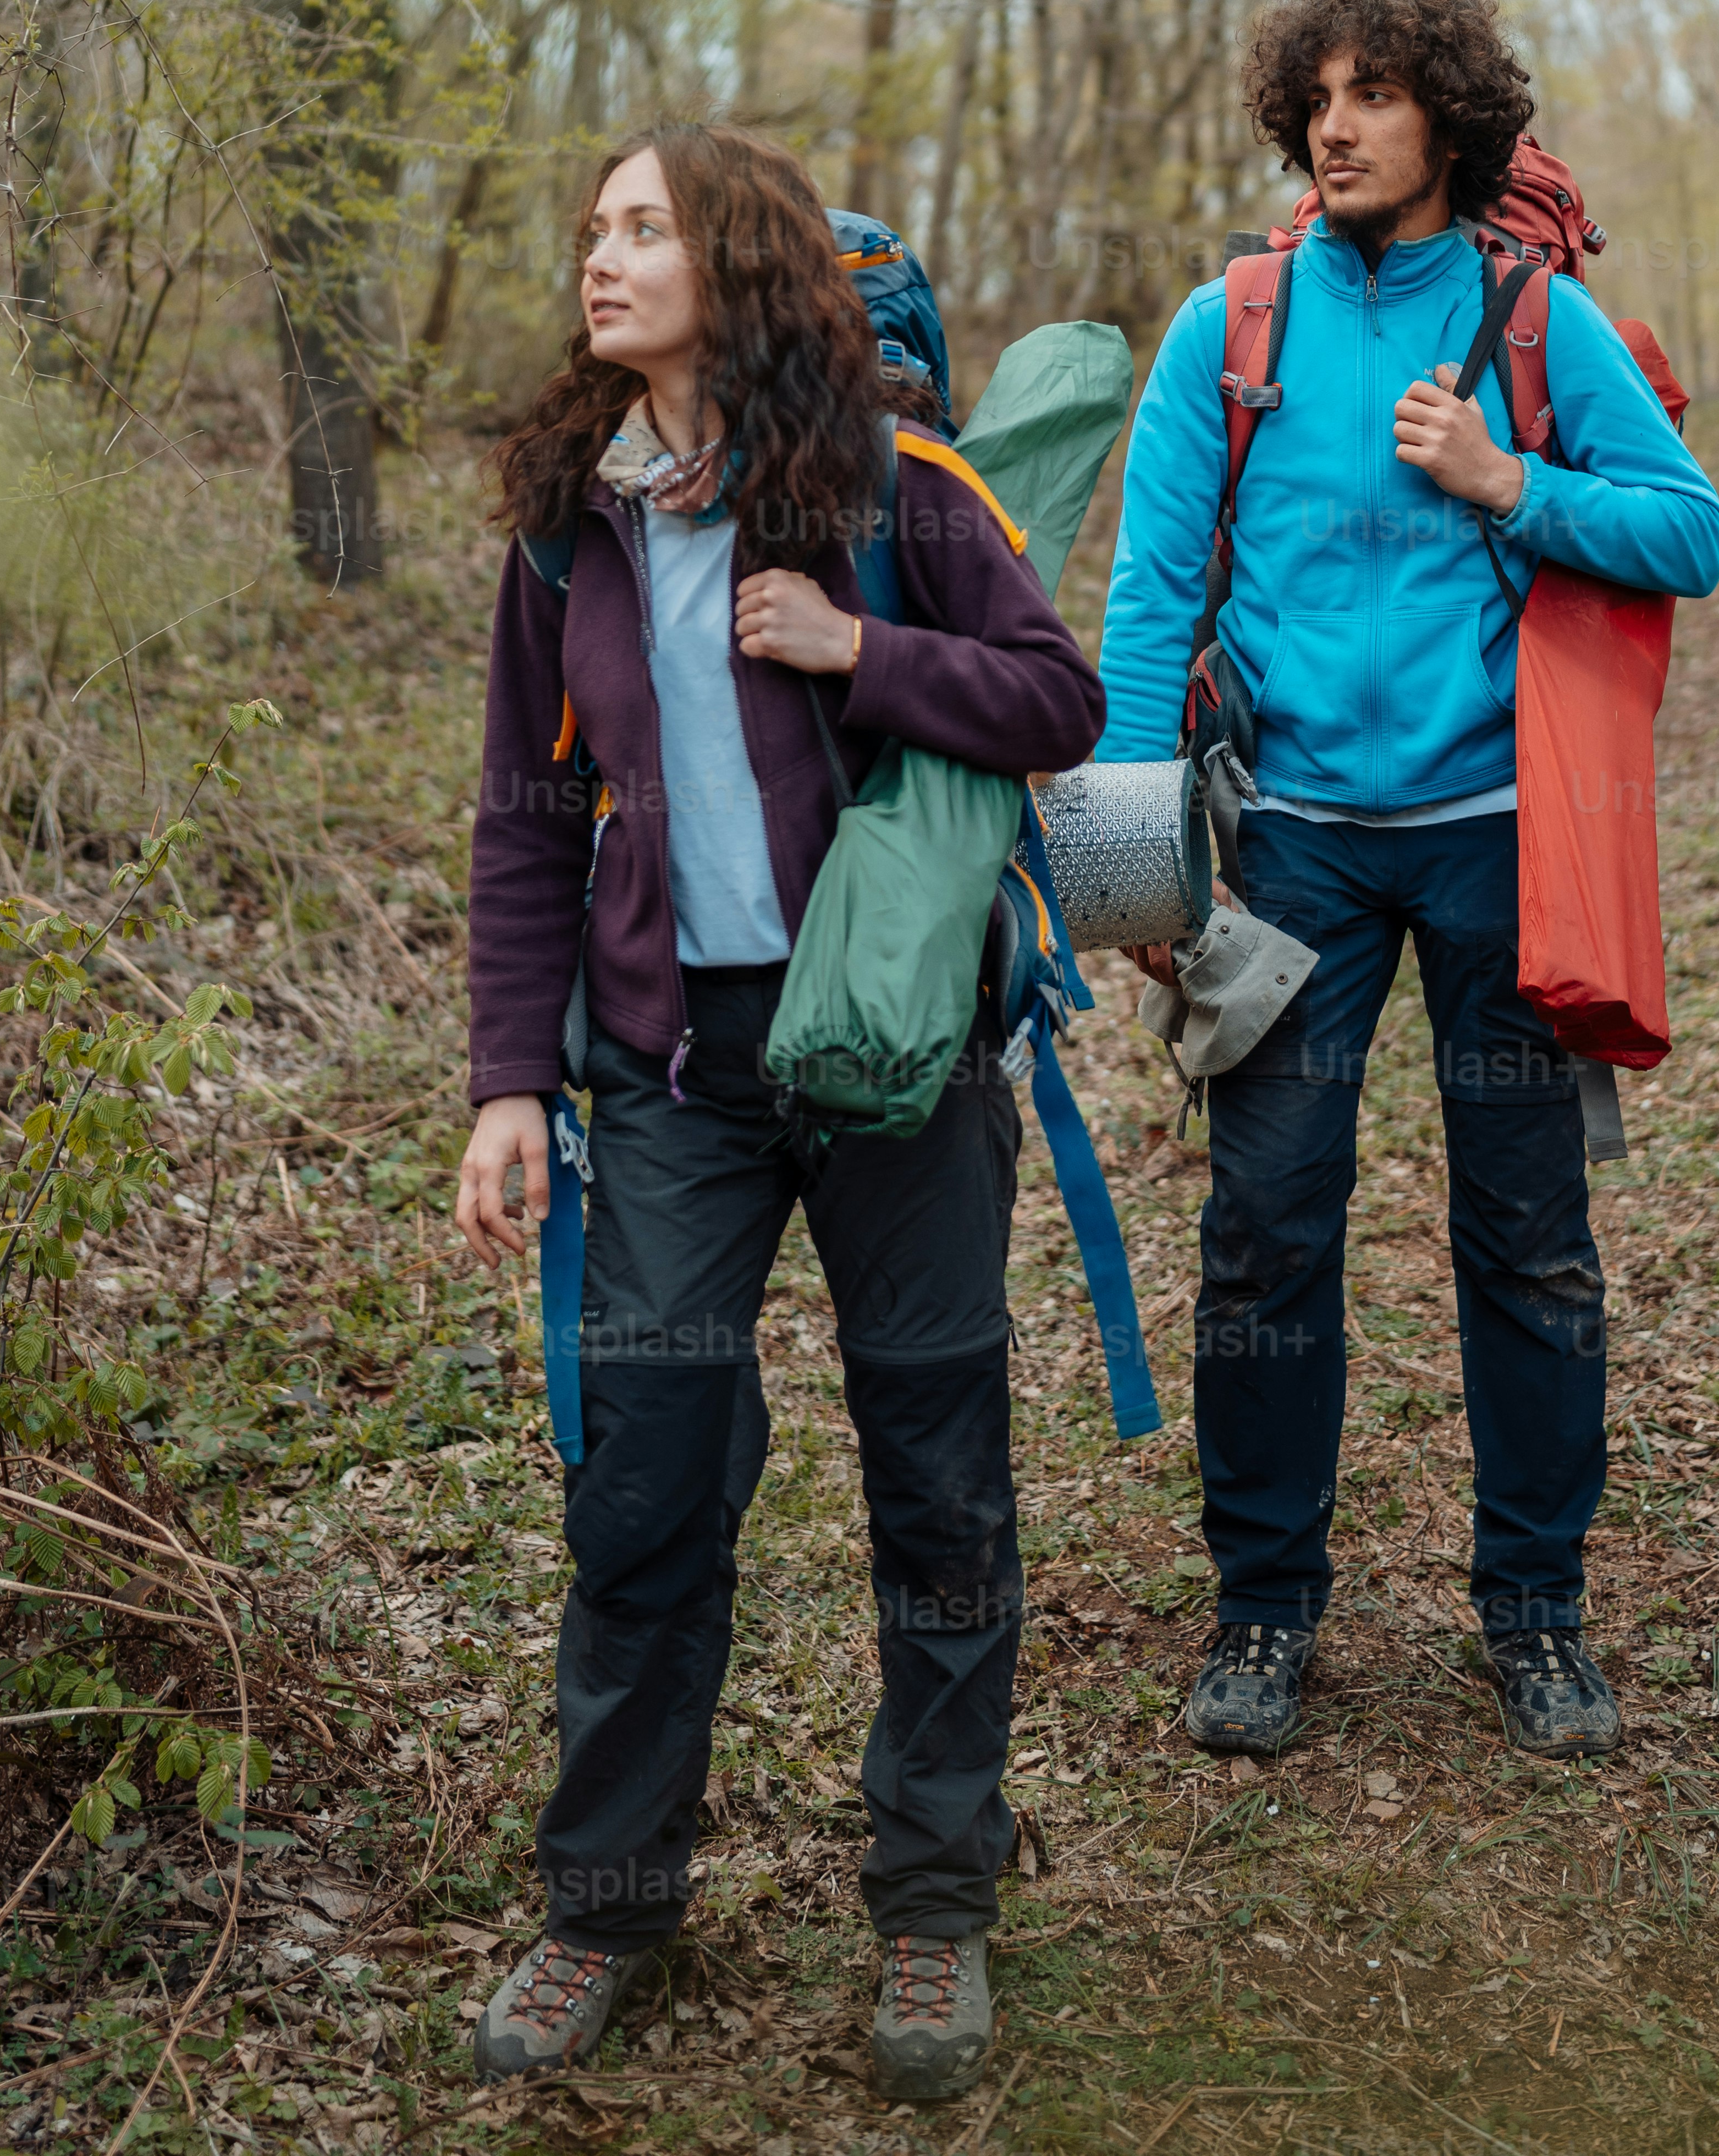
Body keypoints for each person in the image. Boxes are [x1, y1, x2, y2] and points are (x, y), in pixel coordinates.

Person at [454, 122, 1104, 2097]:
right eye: (592, 231)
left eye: (643, 228)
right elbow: (522, 827)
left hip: (896, 1073)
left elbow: (1059, 708)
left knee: (936, 1480)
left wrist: (861, 650)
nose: (602, 257)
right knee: (644, 1485)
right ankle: (605, 1908)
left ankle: (931, 1904)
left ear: (738, 262)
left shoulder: (893, 495)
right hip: (669, 1079)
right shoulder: (573, 528)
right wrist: (505, 1085)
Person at [1095, 0, 1719, 1762]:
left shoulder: (1533, 318)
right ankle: (1262, 1611)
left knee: (1527, 1241)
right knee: (1260, 1239)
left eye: (1376, 92)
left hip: (1494, 850)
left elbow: (1690, 531)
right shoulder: (1230, 321)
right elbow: (1151, 597)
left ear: (1448, 117)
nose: (1338, 122)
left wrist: (1506, 479)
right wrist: (1139, 871)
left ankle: (1534, 1613)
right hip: (1290, 850)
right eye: (1319, 94)